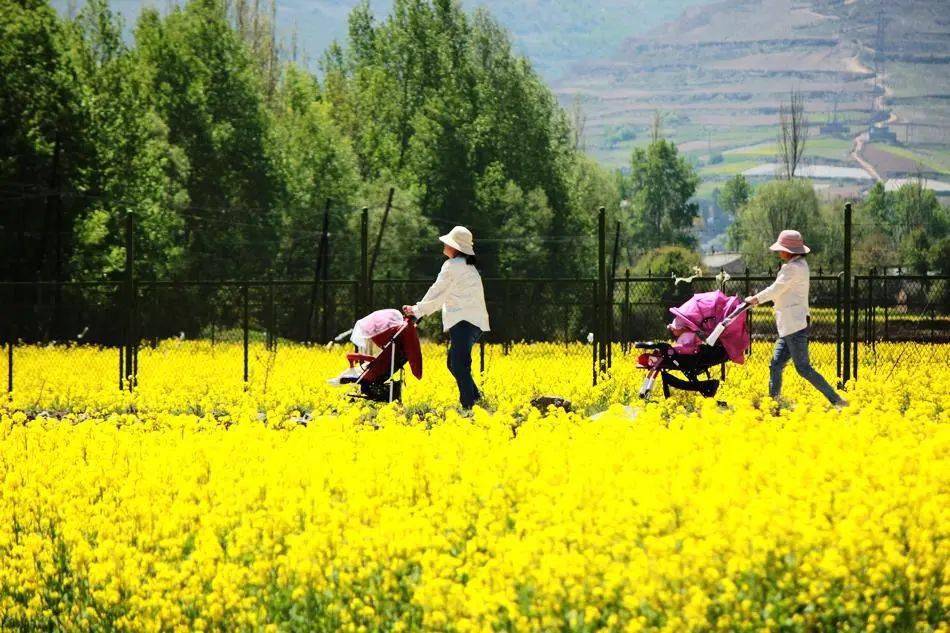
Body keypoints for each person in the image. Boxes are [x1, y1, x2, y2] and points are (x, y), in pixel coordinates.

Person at [745, 230, 847, 408]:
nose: (779, 252)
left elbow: (776, 289)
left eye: (781, 249)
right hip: (789, 326)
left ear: (789, 251)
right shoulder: (800, 265)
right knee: (775, 365)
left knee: (803, 368)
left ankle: (836, 400)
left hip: (794, 326)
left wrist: (755, 299)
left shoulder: (793, 268)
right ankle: (773, 404)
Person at [403, 226, 490, 410]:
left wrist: (416, 310)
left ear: (455, 247)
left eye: (448, 242)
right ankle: (476, 399)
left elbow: (438, 292)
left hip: (464, 323)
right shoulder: (468, 266)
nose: (444, 243)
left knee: (458, 365)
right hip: (474, 323)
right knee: (454, 363)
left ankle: (469, 407)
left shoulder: (453, 266)